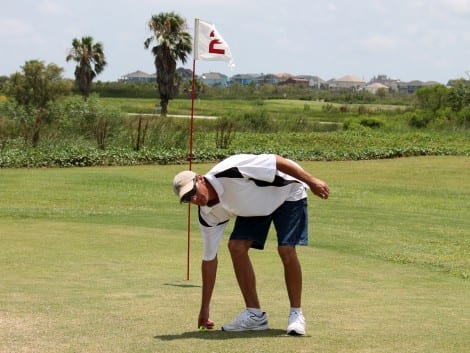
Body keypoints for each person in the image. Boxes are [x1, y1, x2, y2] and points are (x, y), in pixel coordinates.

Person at [172, 154, 329, 335]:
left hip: (288, 191)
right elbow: (209, 259)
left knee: (285, 249)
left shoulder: (229, 170)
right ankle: (255, 315)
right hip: (256, 207)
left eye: (193, 192)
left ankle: (296, 314)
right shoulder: (208, 214)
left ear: (200, 179)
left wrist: (311, 181)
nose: (193, 199)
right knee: (236, 247)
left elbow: (276, 161)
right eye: (187, 199)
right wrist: (204, 309)